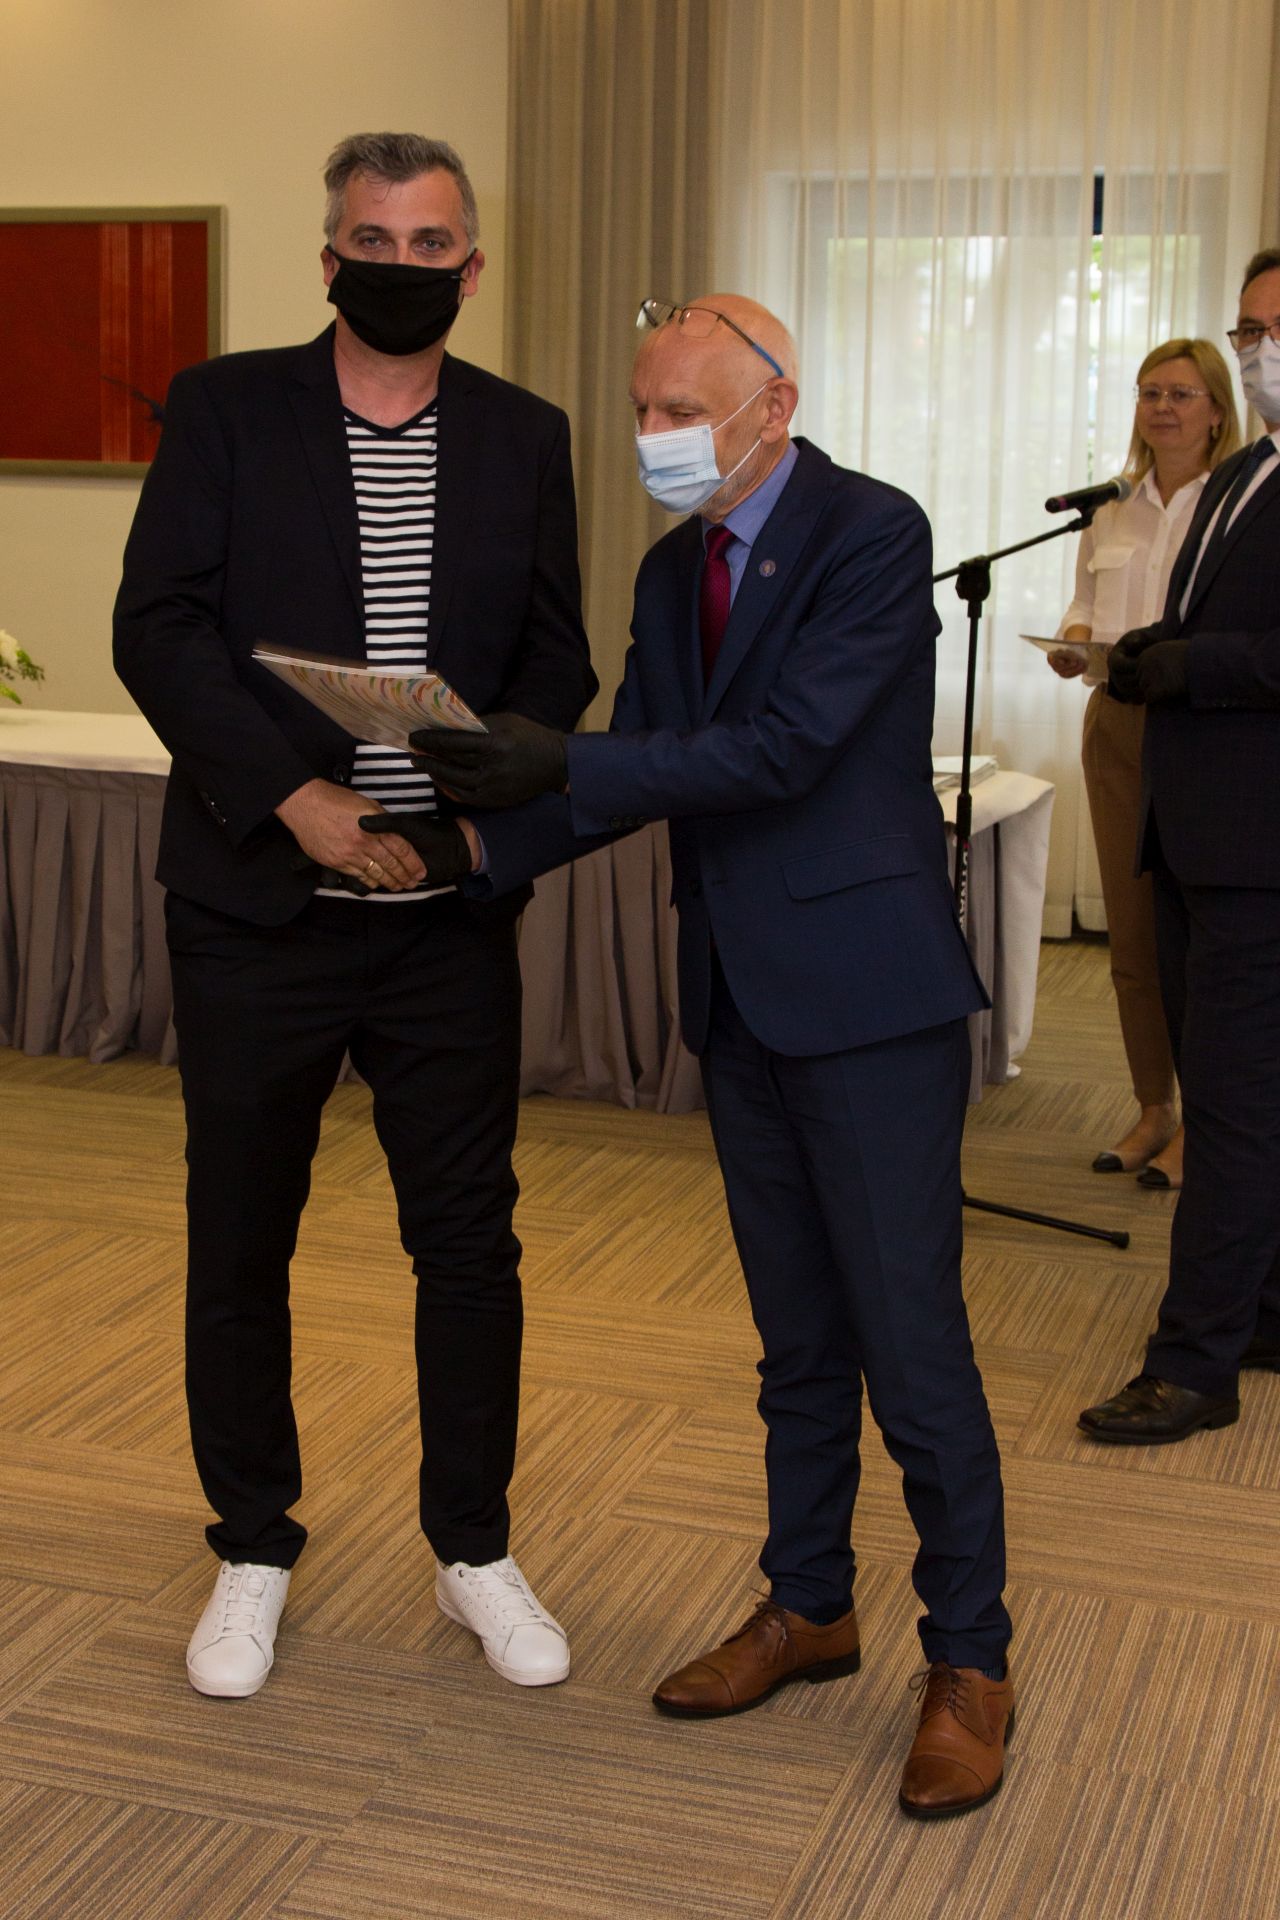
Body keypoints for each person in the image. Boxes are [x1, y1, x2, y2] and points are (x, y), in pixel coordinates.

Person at [412, 295, 1015, 1820]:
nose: (654, 438)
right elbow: (635, 768)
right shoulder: (672, 567)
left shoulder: (873, 532)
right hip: (740, 1000)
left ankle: (971, 1658)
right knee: (796, 1341)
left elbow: (784, 751)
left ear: (774, 405)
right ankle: (808, 1606)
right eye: (642, 410)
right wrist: (472, 846)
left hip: (867, 1001)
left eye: (681, 411)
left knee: (911, 1349)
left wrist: (560, 754)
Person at [113, 132, 597, 1698]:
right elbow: (157, 628)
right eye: (372, 242)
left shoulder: (525, 433)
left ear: (473, 265)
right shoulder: (226, 409)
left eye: (429, 243)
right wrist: (294, 797)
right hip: (259, 904)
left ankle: (474, 1550)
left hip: (444, 916)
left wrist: (467, 821)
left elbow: (557, 661)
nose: (401, 266)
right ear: (329, 259)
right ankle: (253, 1544)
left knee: (468, 1245)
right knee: (241, 1238)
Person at [1079, 250, 1280, 1445]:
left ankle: (1192, 1364)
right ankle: (1260, 1311)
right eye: (1246, 329)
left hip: (1259, 846)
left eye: (1273, 330)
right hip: (1197, 831)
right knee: (1237, 1092)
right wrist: (1153, 646)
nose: (1257, 350)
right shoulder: (1246, 471)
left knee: (1236, 1111)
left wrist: (1188, 663)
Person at [1047, 341, 1240, 1191]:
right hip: (1116, 723)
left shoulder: (1237, 505)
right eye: (1149, 392)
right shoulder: (1111, 507)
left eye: (1182, 394)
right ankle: (1153, 1107)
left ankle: (1209, 1121)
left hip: (1201, 731)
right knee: (1131, 934)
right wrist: (1073, 643)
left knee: (1197, 936)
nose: (1162, 407)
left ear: (1218, 410)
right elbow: (1085, 605)